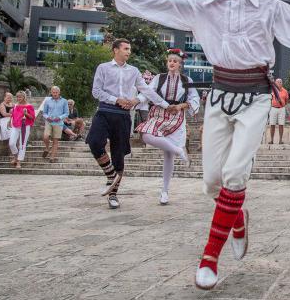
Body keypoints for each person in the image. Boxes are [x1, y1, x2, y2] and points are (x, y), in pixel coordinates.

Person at [86, 0, 290, 290]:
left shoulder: (270, 8)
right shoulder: (204, 7)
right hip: (220, 96)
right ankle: (237, 218)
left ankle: (209, 258)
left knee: (234, 173)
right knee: (212, 182)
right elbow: (159, 1)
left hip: (257, 97)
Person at [88, 39, 170, 210]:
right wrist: (116, 99)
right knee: (95, 142)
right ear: (115, 50)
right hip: (104, 111)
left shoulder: (133, 71)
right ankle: (111, 176)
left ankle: (113, 195)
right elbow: (96, 91)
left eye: (130, 49)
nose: (128, 51)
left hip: (123, 116)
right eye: (125, 48)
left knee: (119, 154)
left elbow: (146, 90)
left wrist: (137, 101)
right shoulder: (103, 68)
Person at [136, 49, 200, 205]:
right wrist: (136, 100)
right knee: (145, 134)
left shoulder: (187, 80)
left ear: (180, 64)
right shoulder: (159, 78)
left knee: (168, 154)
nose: (172, 63)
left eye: (175, 61)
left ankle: (164, 191)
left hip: (176, 116)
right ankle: (179, 150)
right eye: (170, 60)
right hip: (158, 113)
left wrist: (181, 106)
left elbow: (194, 98)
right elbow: (148, 92)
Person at [8, 91, 35, 169]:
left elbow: (32, 117)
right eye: (17, 97)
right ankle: (16, 156)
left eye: (20, 97)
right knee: (11, 143)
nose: (18, 98)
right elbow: (13, 115)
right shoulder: (15, 105)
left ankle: (19, 161)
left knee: (22, 144)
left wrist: (26, 114)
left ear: (24, 97)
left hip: (25, 126)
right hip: (15, 126)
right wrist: (10, 121)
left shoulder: (29, 106)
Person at [41, 86, 68, 162]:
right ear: (51, 92)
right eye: (53, 92)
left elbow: (66, 113)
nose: (55, 94)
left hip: (58, 123)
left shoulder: (64, 101)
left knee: (55, 140)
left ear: (59, 92)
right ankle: (47, 148)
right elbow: (44, 113)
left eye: (56, 92)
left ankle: (52, 157)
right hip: (49, 121)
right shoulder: (47, 101)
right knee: (46, 136)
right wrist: (47, 117)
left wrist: (59, 117)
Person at [268, 78, 289, 145]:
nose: (279, 83)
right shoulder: (272, 90)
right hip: (273, 108)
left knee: (281, 124)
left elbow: (286, 100)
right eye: (278, 82)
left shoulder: (285, 91)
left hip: (281, 108)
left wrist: (282, 104)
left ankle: (280, 140)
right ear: (275, 83)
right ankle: (271, 140)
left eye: (280, 82)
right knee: (272, 124)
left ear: (282, 83)